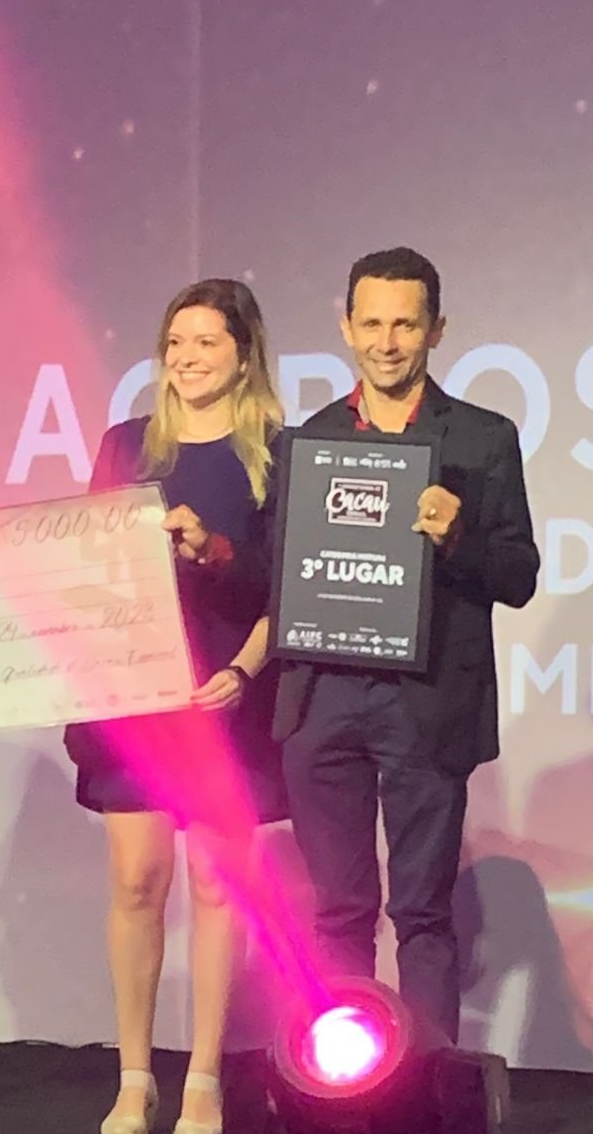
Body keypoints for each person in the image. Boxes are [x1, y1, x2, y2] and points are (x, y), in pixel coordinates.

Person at [178, 248, 538, 1042]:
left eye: (405, 324)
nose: (387, 342)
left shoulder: (482, 438)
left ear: (436, 330)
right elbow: (281, 578)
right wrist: (216, 550)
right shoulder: (310, 442)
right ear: (346, 328)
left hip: (426, 703)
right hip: (323, 699)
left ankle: (430, 1090)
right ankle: (346, 1088)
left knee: (422, 912)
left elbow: (519, 575)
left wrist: (458, 537)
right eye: (371, 323)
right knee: (338, 912)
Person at [66, 278, 287, 1134]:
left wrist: (243, 668)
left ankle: (202, 1077)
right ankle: (134, 1077)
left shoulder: (277, 454)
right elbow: (87, 567)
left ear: (244, 354)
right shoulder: (126, 447)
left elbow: (289, 587)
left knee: (217, 884)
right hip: (137, 700)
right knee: (137, 881)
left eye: (207, 342)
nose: (188, 359)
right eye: (176, 343)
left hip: (227, 692)